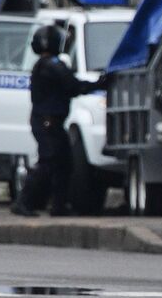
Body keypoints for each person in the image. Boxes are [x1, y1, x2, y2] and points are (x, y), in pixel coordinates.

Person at [10, 26, 106, 217]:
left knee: (64, 164)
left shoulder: (44, 65)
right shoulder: (52, 65)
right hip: (48, 122)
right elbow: (73, 86)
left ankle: (59, 206)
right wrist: (100, 83)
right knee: (48, 162)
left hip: (50, 122)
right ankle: (23, 202)